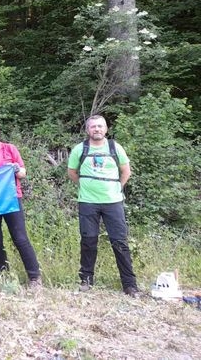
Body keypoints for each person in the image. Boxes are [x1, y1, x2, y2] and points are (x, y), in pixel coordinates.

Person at [67, 114, 140, 297]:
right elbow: (72, 172)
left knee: (120, 242)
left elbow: (126, 171)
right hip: (88, 202)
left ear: (106, 129)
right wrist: (86, 186)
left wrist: (116, 188)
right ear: (87, 130)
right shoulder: (79, 149)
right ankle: (86, 281)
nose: (97, 129)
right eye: (93, 126)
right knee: (88, 241)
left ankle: (129, 285)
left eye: (100, 126)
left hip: (113, 202)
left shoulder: (115, 147)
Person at [0, 123, 42, 288]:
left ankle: (35, 277)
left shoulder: (10, 149)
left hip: (11, 199)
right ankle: (3, 275)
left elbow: (22, 173)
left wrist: (16, 168)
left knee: (20, 238)